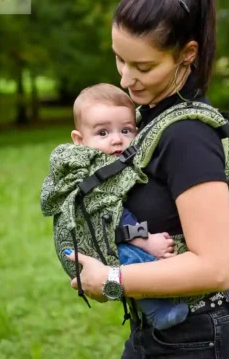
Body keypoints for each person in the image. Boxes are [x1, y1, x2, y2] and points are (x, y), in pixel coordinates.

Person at [64, 0, 229, 358]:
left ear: (186, 54)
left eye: (143, 66)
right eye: (120, 59)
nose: (125, 79)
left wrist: (112, 278)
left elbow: (215, 268)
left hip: (205, 337)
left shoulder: (187, 136)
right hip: (165, 332)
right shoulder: (147, 120)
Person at [68, 83, 190, 330]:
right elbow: (113, 216)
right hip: (94, 247)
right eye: (103, 133)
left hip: (104, 242)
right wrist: (145, 240)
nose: (117, 140)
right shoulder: (90, 172)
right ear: (79, 140)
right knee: (130, 259)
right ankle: (158, 309)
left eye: (126, 130)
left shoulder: (116, 165)